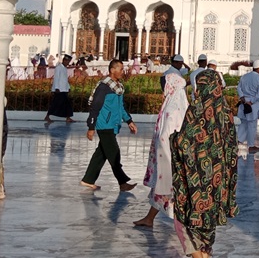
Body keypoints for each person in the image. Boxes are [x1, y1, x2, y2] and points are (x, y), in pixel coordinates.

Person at [170, 61, 238, 258]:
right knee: (207, 227)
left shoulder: (197, 110)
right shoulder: (226, 113)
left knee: (185, 222)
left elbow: (184, 142)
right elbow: (231, 147)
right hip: (218, 182)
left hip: (197, 181)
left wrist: (173, 139)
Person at [132, 66, 189, 227]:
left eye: (165, 84)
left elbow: (167, 134)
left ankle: (183, 225)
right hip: (171, 156)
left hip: (169, 157)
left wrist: (162, 151)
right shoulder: (176, 102)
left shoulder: (173, 107)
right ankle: (149, 218)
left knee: (168, 191)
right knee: (161, 191)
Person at [80, 59, 138, 191]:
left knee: (101, 154)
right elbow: (95, 107)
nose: (122, 72)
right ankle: (123, 182)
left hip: (113, 125)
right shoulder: (103, 87)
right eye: (120, 69)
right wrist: (91, 127)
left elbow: (121, 107)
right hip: (104, 125)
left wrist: (129, 121)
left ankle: (87, 180)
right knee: (114, 154)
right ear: (112, 70)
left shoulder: (118, 87)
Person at [237, 59, 259, 153]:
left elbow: (239, 88)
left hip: (244, 103)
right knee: (252, 126)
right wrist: (251, 101)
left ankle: (238, 141)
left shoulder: (244, 76)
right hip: (252, 105)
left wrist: (243, 98)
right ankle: (251, 146)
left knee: (243, 124)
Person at [44, 54, 74, 124]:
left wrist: (68, 87)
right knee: (55, 104)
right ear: (64, 60)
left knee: (67, 104)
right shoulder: (58, 67)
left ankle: (68, 117)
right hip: (59, 90)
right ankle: (47, 116)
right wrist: (56, 88)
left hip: (64, 89)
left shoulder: (64, 68)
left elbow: (65, 79)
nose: (68, 63)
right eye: (67, 61)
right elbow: (56, 78)